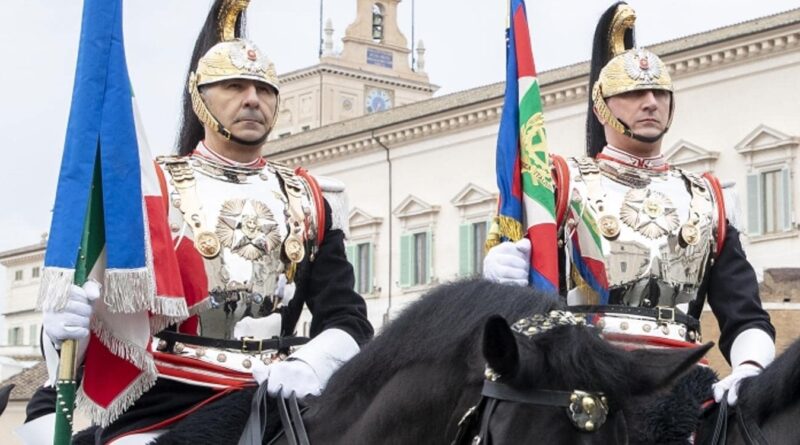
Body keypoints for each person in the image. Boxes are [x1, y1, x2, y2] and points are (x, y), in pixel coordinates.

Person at [23, 1, 373, 443]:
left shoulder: (310, 198)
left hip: (281, 390)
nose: (252, 99)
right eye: (233, 86)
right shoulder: (152, 189)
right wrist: (63, 331)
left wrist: (311, 363)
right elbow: (106, 307)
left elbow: (346, 316)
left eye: (264, 89)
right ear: (199, 99)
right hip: (168, 397)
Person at [483, 2, 774, 407]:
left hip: (683, 381)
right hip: (584, 375)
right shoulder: (560, 183)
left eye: (659, 92)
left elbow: (744, 314)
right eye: (634, 92)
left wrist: (750, 368)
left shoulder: (708, 199)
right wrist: (496, 269)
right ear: (602, 105)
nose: (650, 102)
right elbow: (522, 271)